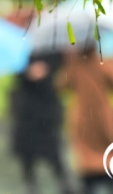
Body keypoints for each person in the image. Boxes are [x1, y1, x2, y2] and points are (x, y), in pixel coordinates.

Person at [57, 46, 113, 194]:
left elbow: (61, 86)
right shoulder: (105, 63)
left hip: (83, 117)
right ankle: (111, 179)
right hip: (104, 117)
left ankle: (89, 182)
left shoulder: (75, 65)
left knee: (86, 154)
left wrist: (68, 62)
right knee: (108, 150)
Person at [11, 53, 74, 194]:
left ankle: (65, 184)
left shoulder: (57, 48)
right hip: (27, 108)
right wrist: (28, 71)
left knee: (54, 151)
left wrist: (47, 69)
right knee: (26, 153)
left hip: (47, 106)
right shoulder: (24, 45)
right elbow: (16, 70)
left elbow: (64, 70)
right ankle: (30, 185)